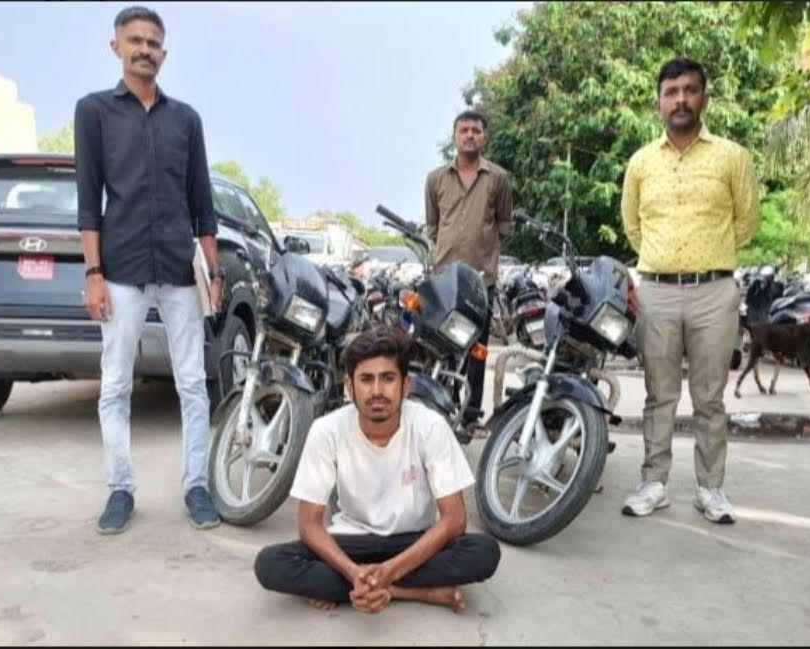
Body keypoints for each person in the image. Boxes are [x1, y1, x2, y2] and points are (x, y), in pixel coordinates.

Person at [75, 5, 222, 534]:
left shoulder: (186, 120)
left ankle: (196, 486)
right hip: (121, 269)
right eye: (135, 40)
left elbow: (202, 201)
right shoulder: (94, 112)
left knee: (193, 384)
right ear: (116, 46)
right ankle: (120, 490)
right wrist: (93, 274)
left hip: (180, 272)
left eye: (153, 42)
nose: (144, 49)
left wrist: (213, 272)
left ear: (164, 52)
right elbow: (88, 201)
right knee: (115, 385)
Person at [254, 327, 500, 613]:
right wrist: (353, 571)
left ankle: (360, 588)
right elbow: (309, 525)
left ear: (405, 385)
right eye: (366, 379)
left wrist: (388, 571)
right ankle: (414, 592)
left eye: (388, 378)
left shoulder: (430, 426)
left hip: (414, 540)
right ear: (350, 387)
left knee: (483, 552)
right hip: (352, 540)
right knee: (271, 563)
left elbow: (454, 520)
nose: (377, 391)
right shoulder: (327, 430)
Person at [619, 57, 760, 524]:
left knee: (709, 398)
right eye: (671, 92)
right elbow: (633, 225)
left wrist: (708, 255)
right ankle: (654, 484)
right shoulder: (641, 162)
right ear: (659, 102)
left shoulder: (732, 157)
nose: (680, 99)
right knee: (659, 394)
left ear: (705, 98)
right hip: (657, 291)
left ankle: (710, 489)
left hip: (714, 291)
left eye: (690, 90)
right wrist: (664, 260)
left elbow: (746, 221)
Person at [424, 110, 514, 432]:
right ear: (454, 137)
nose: (470, 136)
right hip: (445, 280)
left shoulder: (498, 178)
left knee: (477, 348)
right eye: (464, 130)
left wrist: (483, 248)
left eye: (476, 130)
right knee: (442, 344)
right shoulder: (435, 179)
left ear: (484, 137)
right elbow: (433, 226)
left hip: (481, 280)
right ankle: (441, 404)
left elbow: (504, 226)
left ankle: (471, 412)